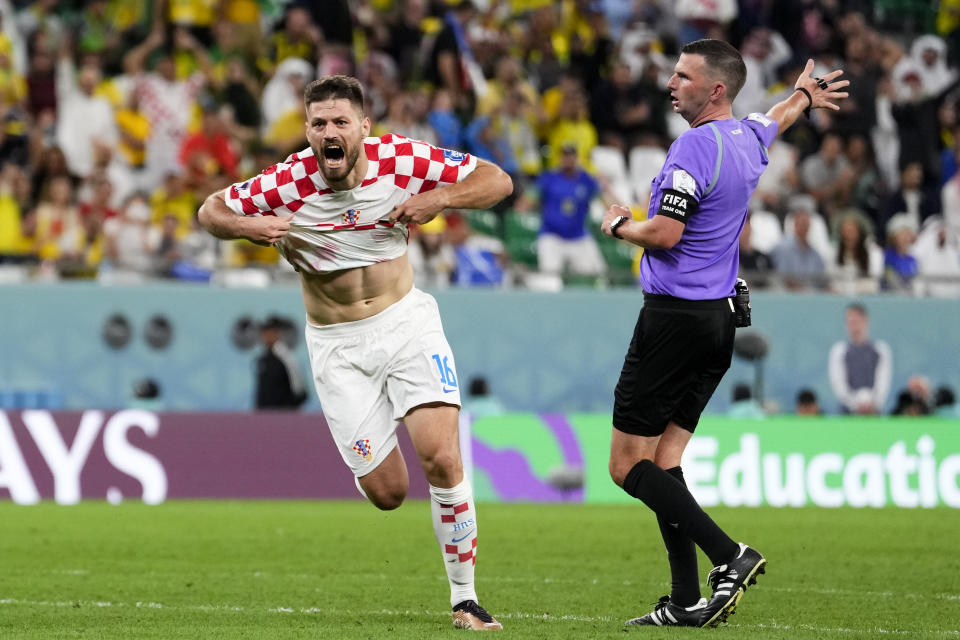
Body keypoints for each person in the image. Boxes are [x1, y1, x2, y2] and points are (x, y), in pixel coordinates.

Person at [197, 75, 512, 631]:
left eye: (341, 121)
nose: (329, 132)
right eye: (318, 124)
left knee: (441, 457)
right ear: (308, 131)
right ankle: (365, 453)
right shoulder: (287, 182)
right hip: (337, 347)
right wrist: (252, 226)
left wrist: (439, 197)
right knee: (389, 493)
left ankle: (465, 599)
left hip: (406, 323)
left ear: (364, 127)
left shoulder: (403, 159)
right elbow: (210, 211)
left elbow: (497, 180)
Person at [598, 39, 848, 628]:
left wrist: (619, 226)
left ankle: (730, 554)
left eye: (683, 76)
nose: (670, 83)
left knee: (625, 465)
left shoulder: (693, 145)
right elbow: (779, 116)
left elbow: (664, 234)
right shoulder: (749, 136)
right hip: (720, 323)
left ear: (715, 90)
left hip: (673, 322)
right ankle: (685, 600)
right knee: (665, 459)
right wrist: (804, 98)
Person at [828, 303, 893, 415]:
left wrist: (873, 403)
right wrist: (855, 404)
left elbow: (883, 381)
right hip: (848, 413)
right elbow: (838, 383)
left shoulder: (881, 350)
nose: (854, 326)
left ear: (866, 321)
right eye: (850, 322)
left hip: (874, 411)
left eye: (856, 321)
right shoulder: (839, 351)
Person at [255, 315, 307, 410]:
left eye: (269, 332)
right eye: (264, 332)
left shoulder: (286, 357)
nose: (265, 336)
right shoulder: (262, 358)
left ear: (277, 333)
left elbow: (300, 391)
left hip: (284, 418)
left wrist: (287, 410)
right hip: (264, 417)